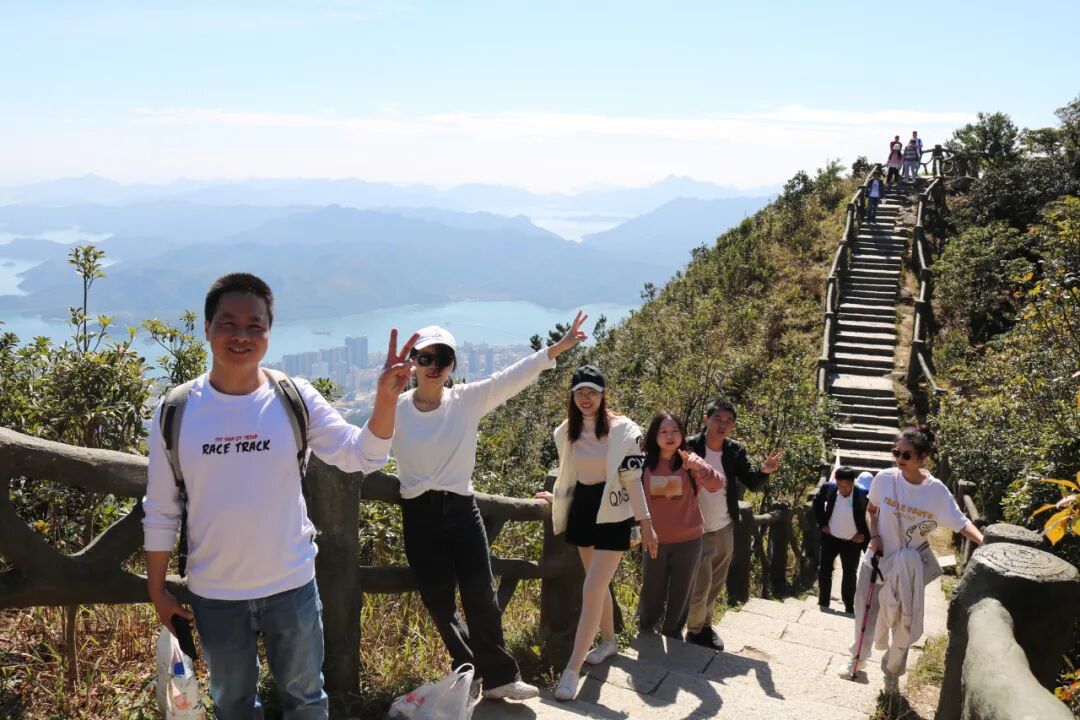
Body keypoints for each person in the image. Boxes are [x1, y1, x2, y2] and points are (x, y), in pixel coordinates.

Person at [143, 273, 417, 720]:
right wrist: (156, 588)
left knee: (307, 699)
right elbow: (161, 507)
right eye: (229, 323)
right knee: (233, 704)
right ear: (207, 327)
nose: (242, 335)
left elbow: (362, 456)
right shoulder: (177, 409)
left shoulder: (292, 398)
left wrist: (386, 400)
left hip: (291, 585)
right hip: (215, 592)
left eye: (255, 326)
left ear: (269, 333)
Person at [393, 312, 588, 701]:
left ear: (452, 365)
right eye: (425, 358)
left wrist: (558, 348)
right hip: (419, 514)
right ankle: (471, 671)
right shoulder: (394, 407)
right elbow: (364, 444)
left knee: (481, 594)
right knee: (438, 601)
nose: (433, 366)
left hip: (462, 509)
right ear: (412, 362)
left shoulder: (466, 400)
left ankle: (499, 678)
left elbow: (512, 377)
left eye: (442, 358)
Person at [541, 365, 658, 702]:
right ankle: (609, 641)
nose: (586, 398)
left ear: (604, 393)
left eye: (592, 391)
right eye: (580, 392)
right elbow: (569, 474)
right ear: (572, 396)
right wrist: (557, 497)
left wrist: (645, 524)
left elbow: (633, 482)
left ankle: (571, 670)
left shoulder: (625, 431)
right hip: (583, 509)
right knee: (598, 585)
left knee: (590, 587)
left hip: (615, 511)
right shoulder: (565, 431)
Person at [842, 426, 984, 692]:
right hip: (877, 559)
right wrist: (874, 536)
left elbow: (961, 523)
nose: (898, 459)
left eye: (905, 455)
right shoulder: (884, 478)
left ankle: (892, 675)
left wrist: (985, 543)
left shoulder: (936, 492)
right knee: (864, 612)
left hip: (908, 567)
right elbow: (871, 511)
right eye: (895, 452)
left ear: (921, 458)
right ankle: (857, 660)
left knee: (903, 620)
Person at [684, 399, 783, 651]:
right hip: (696, 525)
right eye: (718, 419)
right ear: (706, 420)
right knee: (701, 581)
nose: (723, 425)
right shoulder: (688, 446)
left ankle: (705, 625)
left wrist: (764, 470)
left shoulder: (734, 450)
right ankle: (694, 630)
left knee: (717, 579)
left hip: (725, 523)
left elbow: (751, 482)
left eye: (728, 421)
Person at [636, 411, 725, 640]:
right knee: (651, 590)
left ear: (682, 434)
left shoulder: (689, 460)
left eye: (675, 431)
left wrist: (699, 468)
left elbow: (717, 484)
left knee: (681, 592)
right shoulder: (643, 461)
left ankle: (672, 633)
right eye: (663, 431)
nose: (670, 436)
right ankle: (646, 630)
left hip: (689, 540)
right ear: (654, 435)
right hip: (654, 538)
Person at [813, 466, 869, 614]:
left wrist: (862, 534)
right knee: (824, 570)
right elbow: (816, 503)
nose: (843, 489)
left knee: (850, 573)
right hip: (831, 538)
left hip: (852, 541)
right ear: (836, 482)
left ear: (853, 483)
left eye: (846, 486)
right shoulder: (829, 489)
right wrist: (822, 524)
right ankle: (823, 601)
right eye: (840, 486)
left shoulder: (863, 496)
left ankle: (849, 606)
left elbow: (871, 518)